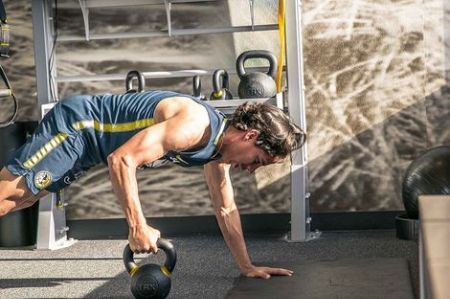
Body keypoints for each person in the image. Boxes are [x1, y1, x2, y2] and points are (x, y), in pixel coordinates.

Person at [0, 90, 306, 279]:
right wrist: (137, 226)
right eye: (259, 160)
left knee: (24, 199)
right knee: (12, 195)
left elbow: (225, 207)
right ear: (250, 136)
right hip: (79, 127)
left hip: (91, 147)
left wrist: (246, 265)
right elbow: (122, 160)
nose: (252, 170)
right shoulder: (194, 126)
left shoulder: (215, 150)